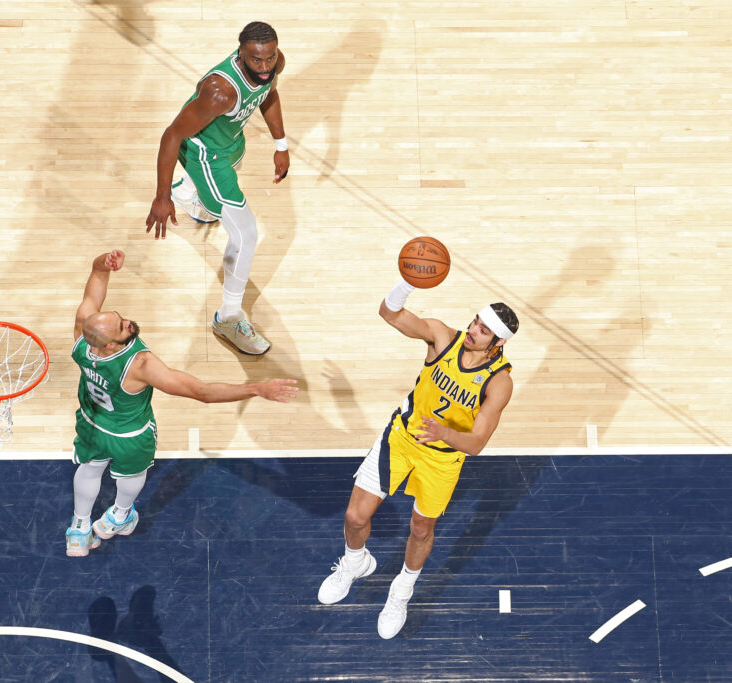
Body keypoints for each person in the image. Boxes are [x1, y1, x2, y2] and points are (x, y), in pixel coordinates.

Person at [317, 279, 518, 639]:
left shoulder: (499, 382)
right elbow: (389, 313)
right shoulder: (443, 337)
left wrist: (444, 434)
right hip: (402, 438)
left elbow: (476, 444)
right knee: (355, 516)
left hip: (442, 458)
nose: (472, 330)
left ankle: (402, 591)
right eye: (475, 321)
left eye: (483, 330)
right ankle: (355, 562)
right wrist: (407, 283)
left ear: (498, 343)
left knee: (421, 528)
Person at [66, 250, 299, 558]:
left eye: (121, 318)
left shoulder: (82, 338)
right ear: (110, 345)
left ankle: (79, 530)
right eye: (122, 327)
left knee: (90, 468)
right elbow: (201, 392)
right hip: (129, 436)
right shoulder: (141, 365)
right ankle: (119, 517)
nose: (129, 323)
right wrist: (256, 388)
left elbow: (92, 293)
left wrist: (102, 265)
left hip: (92, 423)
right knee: (132, 476)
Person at [145, 20, 289, 356]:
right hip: (206, 156)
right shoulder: (219, 92)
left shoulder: (273, 64)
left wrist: (280, 145)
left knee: (214, 205)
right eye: (256, 60)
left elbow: (268, 94)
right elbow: (172, 135)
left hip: (229, 142)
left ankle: (191, 197)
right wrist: (160, 197)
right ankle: (228, 318)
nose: (265, 67)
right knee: (246, 235)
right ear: (240, 54)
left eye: (269, 58)